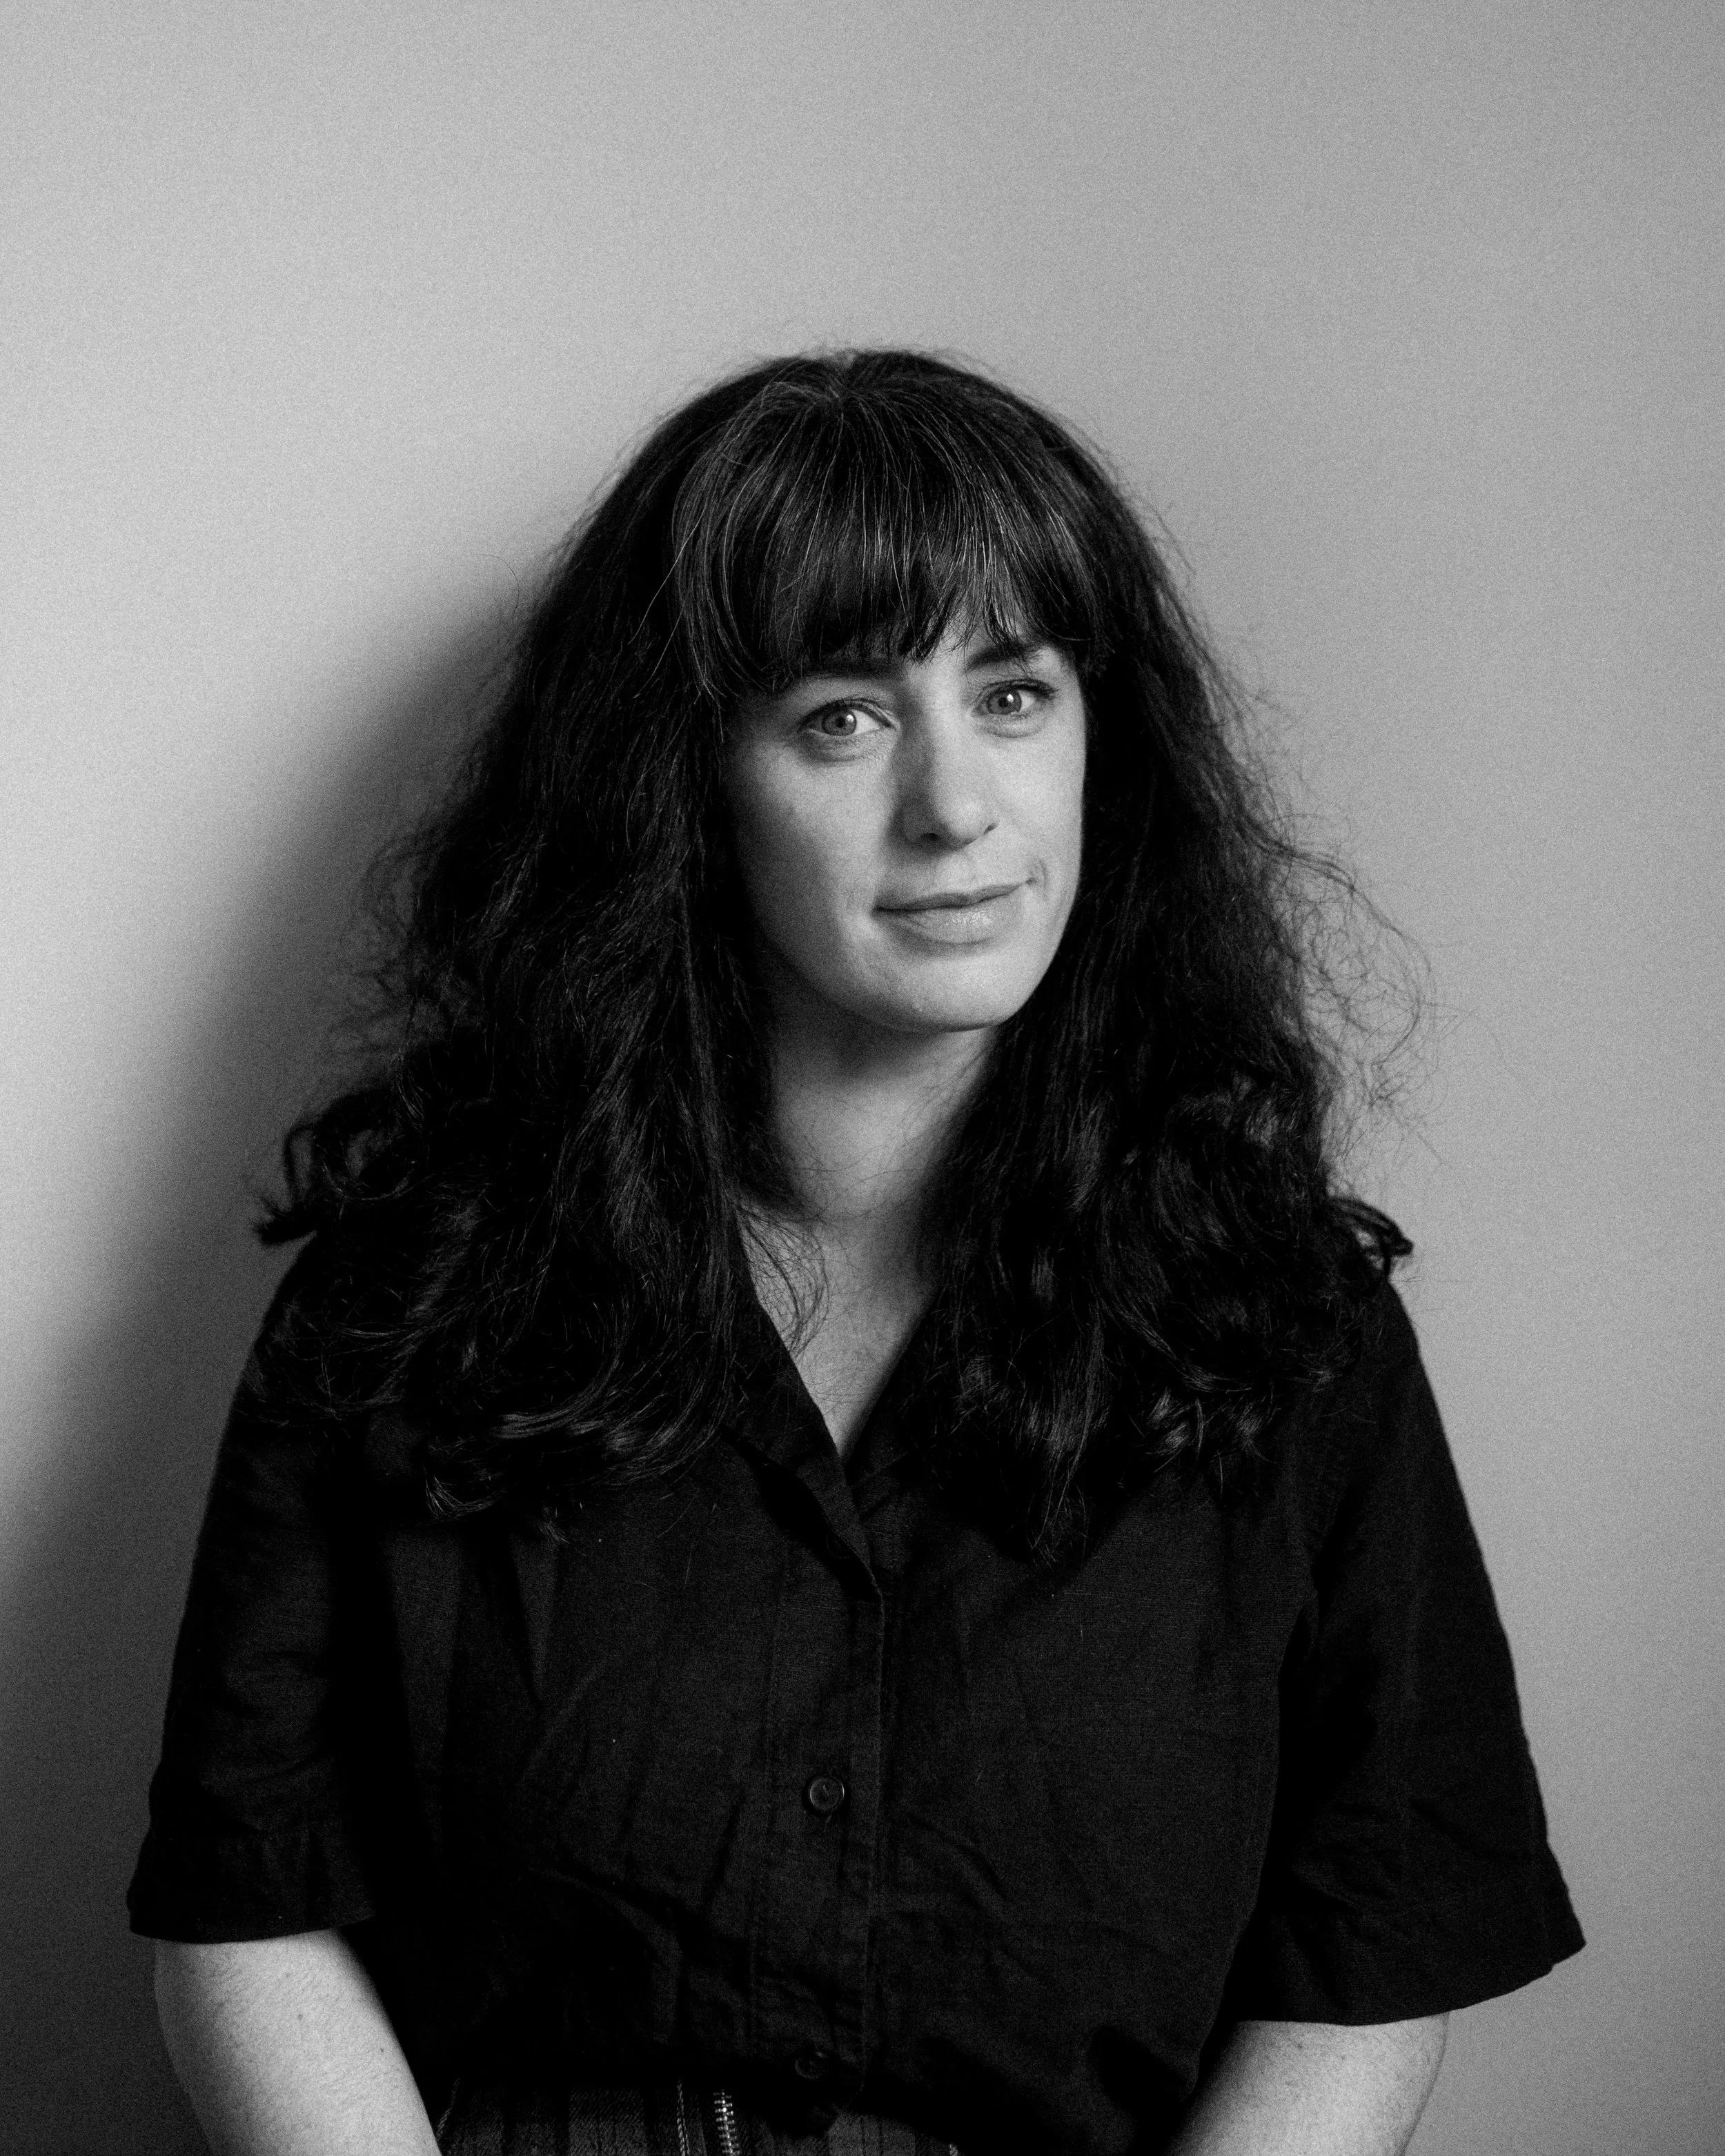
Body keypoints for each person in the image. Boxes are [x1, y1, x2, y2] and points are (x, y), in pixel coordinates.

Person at [130, 349, 1582, 2156]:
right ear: (684, 780)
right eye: (843, 717)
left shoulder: (1288, 1329)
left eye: (1014, 693)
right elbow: (252, 1908)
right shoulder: (409, 1304)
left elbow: (1364, 1959)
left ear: (1102, 743)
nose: (956, 804)